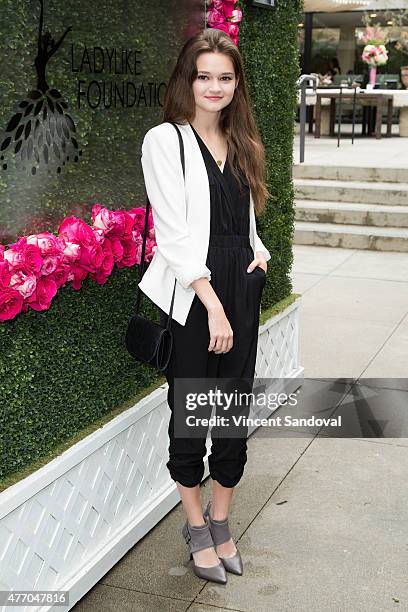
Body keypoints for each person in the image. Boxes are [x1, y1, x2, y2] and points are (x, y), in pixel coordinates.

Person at [139, 28, 271, 584]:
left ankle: (221, 521)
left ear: (236, 83)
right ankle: (195, 526)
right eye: (203, 76)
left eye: (224, 77)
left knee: (234, 413)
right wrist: (213, 305)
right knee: (192, 416)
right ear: (186, 80)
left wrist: (259, 256)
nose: (213, 87)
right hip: (197, 298)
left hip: (240, 290)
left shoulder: (241, 141)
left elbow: (242, 219)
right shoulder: (165, 140)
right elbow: (172, 234)